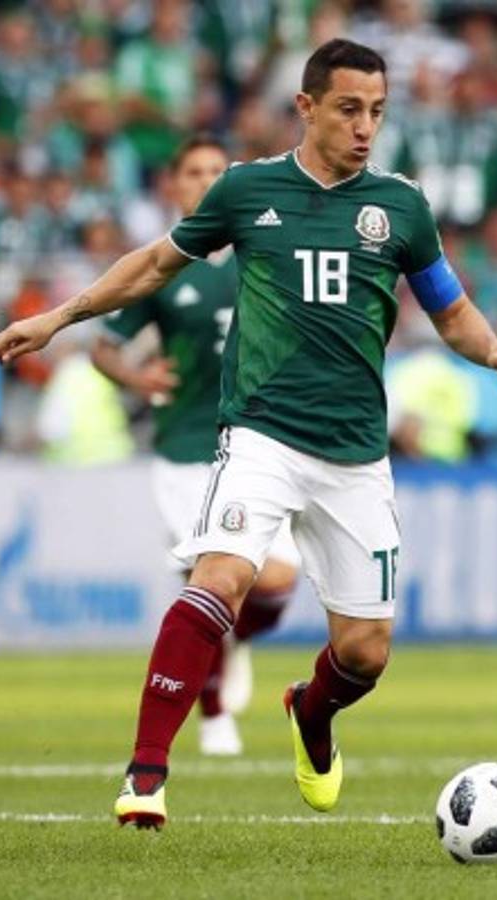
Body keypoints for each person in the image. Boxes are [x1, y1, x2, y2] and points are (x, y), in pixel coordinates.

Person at [0, 38, 497, 830]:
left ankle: (310, 710)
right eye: (348, 109)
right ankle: (146, 772)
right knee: (219, 579)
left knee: (365, 653)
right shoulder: (247, 190)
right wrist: (59, 317)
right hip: (261, 435)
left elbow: (449, 311)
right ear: (306, 107)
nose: (364, 127)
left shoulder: (401, 206)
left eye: (376, 112)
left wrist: (494, 350)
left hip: (355, 453)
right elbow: (153, 264)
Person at [90, 137, 299, 755]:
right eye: (194, 172)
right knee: (204, 587)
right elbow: (104, 347)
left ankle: (237, 639)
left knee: (277, 583)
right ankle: (213, 715)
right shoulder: (164, 263)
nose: (207, 180)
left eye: (216, 170)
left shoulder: (265, 253)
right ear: (174, 186)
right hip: (186, 447)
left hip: (260, 443)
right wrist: (136, 377)